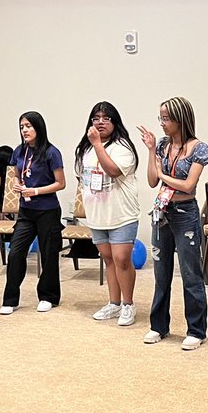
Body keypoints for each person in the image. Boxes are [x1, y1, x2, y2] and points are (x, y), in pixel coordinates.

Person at [137, 97, 208, 351]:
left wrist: (164, 176)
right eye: (161, 118)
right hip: (162, 211)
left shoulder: (198, 148)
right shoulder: (162, 146)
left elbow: (189, 185)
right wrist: (150, 150)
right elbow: (151, 181)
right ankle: (158, 326)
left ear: (181, 119)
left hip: (185, 212)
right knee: (161, 273)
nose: (162, 123)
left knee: (190, 273)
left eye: (166, 118)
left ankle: (196, 330)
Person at [74, 102, 140, 327]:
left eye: (106, 118)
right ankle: (114, 303)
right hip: (98, 214)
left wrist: (98, 145)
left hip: (122, 213)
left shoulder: (122, 147)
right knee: (109, 260)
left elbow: (112, 170)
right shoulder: (86, 149)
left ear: (115, 122)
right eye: (96, 118)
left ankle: (128, 304)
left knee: (122, 260)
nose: (100, 122)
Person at [2, 111, 64, 314]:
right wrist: (17, 184)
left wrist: (35, 191)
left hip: (48, 210)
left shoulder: (51, 152)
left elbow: (60, 183)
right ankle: (10, 299)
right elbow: (15, 174)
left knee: (49, 254)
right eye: (21, 127)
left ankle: (48, 296)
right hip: (26, 211)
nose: (25, 130)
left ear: (38, 127)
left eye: (28, 126)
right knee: (16, 253)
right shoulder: (19, 151)